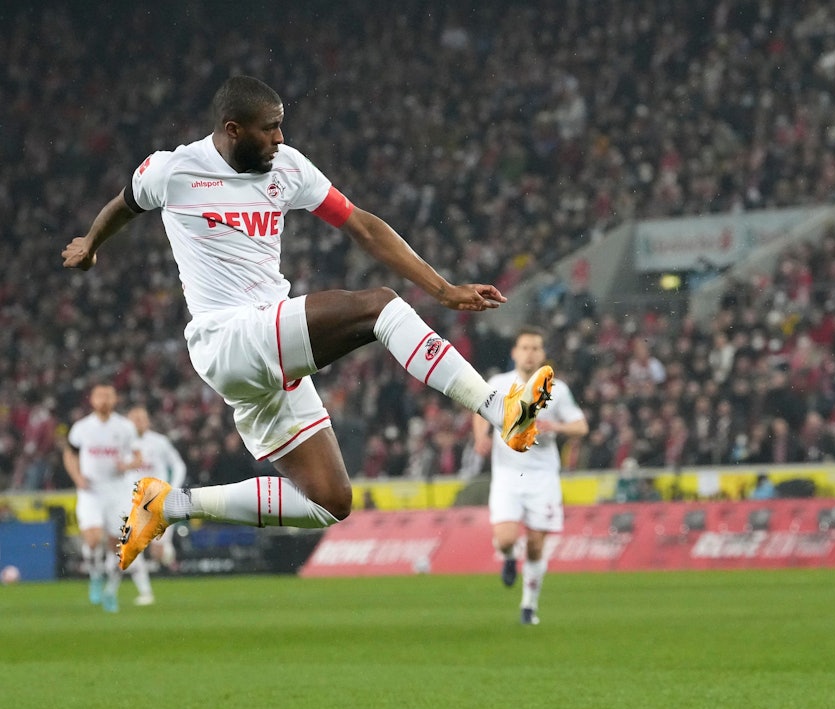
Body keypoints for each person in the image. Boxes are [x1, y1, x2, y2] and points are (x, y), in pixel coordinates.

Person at [61, 75, 552, 570]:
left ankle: (168, 505)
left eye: (281, 127)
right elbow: (124, 203)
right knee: (378, 306)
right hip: (226, 336)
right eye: (269, 129)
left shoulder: (287, 166)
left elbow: (360, 223)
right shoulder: (173, 170)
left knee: (328, 502)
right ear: (233, 129)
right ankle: (498, 407)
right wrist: (90, 244)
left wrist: (442, 287)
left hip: (266, 348)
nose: (279, 138)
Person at [472, 327, 588, 625]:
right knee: (506, 537)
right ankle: (510, 558)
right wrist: (480, 436)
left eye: (536, 348)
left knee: (536, 544)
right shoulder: (498, 384)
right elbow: (477, 409)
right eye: (524, 347)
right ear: (514, 352)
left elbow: (581, 426)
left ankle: (528, 607)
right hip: (508, 475)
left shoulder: (557, 390)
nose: (529, 353)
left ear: (542, 354)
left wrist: (557, 428)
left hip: (542, 476)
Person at [62, 383, 152, 611]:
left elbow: (139, 456)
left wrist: (128, 464)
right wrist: (77, 477)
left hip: (117, 491)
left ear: (115, 400)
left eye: (108, 396)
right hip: (90, 490)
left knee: (118, 545)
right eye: (100, 396)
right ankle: (95, 575)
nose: (104, 400)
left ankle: (110, 591)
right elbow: (69, 455)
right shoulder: (82, 427)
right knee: (92, 540)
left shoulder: (125, 427)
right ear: (92, 400)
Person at [127, 406, 188, 571]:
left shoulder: (159, 442)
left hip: (159, 498)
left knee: (159, 549)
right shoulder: (123, 443)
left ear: (148, 421)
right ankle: (143, 583)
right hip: (132, 499)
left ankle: (168, 566)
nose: (139, 423)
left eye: (142, 419)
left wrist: (173, 488)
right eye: (135, 419)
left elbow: (178, 465)